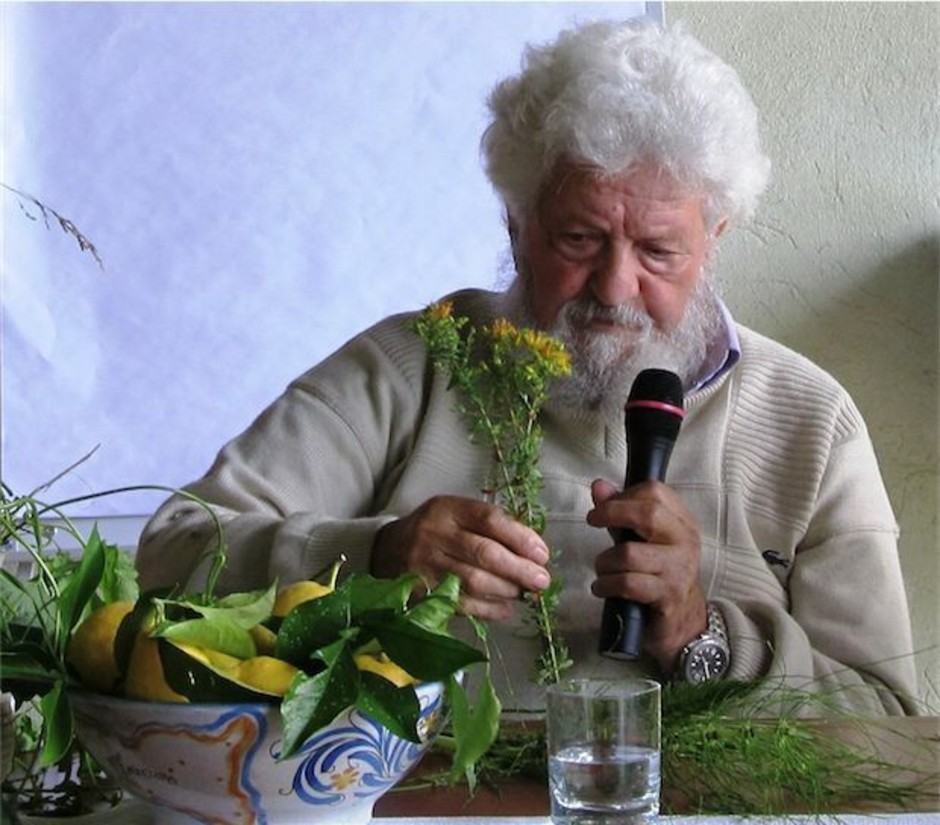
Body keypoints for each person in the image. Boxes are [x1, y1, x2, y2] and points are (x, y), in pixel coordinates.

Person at [136, 18, 918, 715]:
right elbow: (171, 553)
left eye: (657, 250)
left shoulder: (810, 420)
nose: (615, 288)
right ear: (516, 224)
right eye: (580, 238)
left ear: (715, 238)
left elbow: (890, 720)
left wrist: (697, 633)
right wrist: (372, 556)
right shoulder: (413, 366)